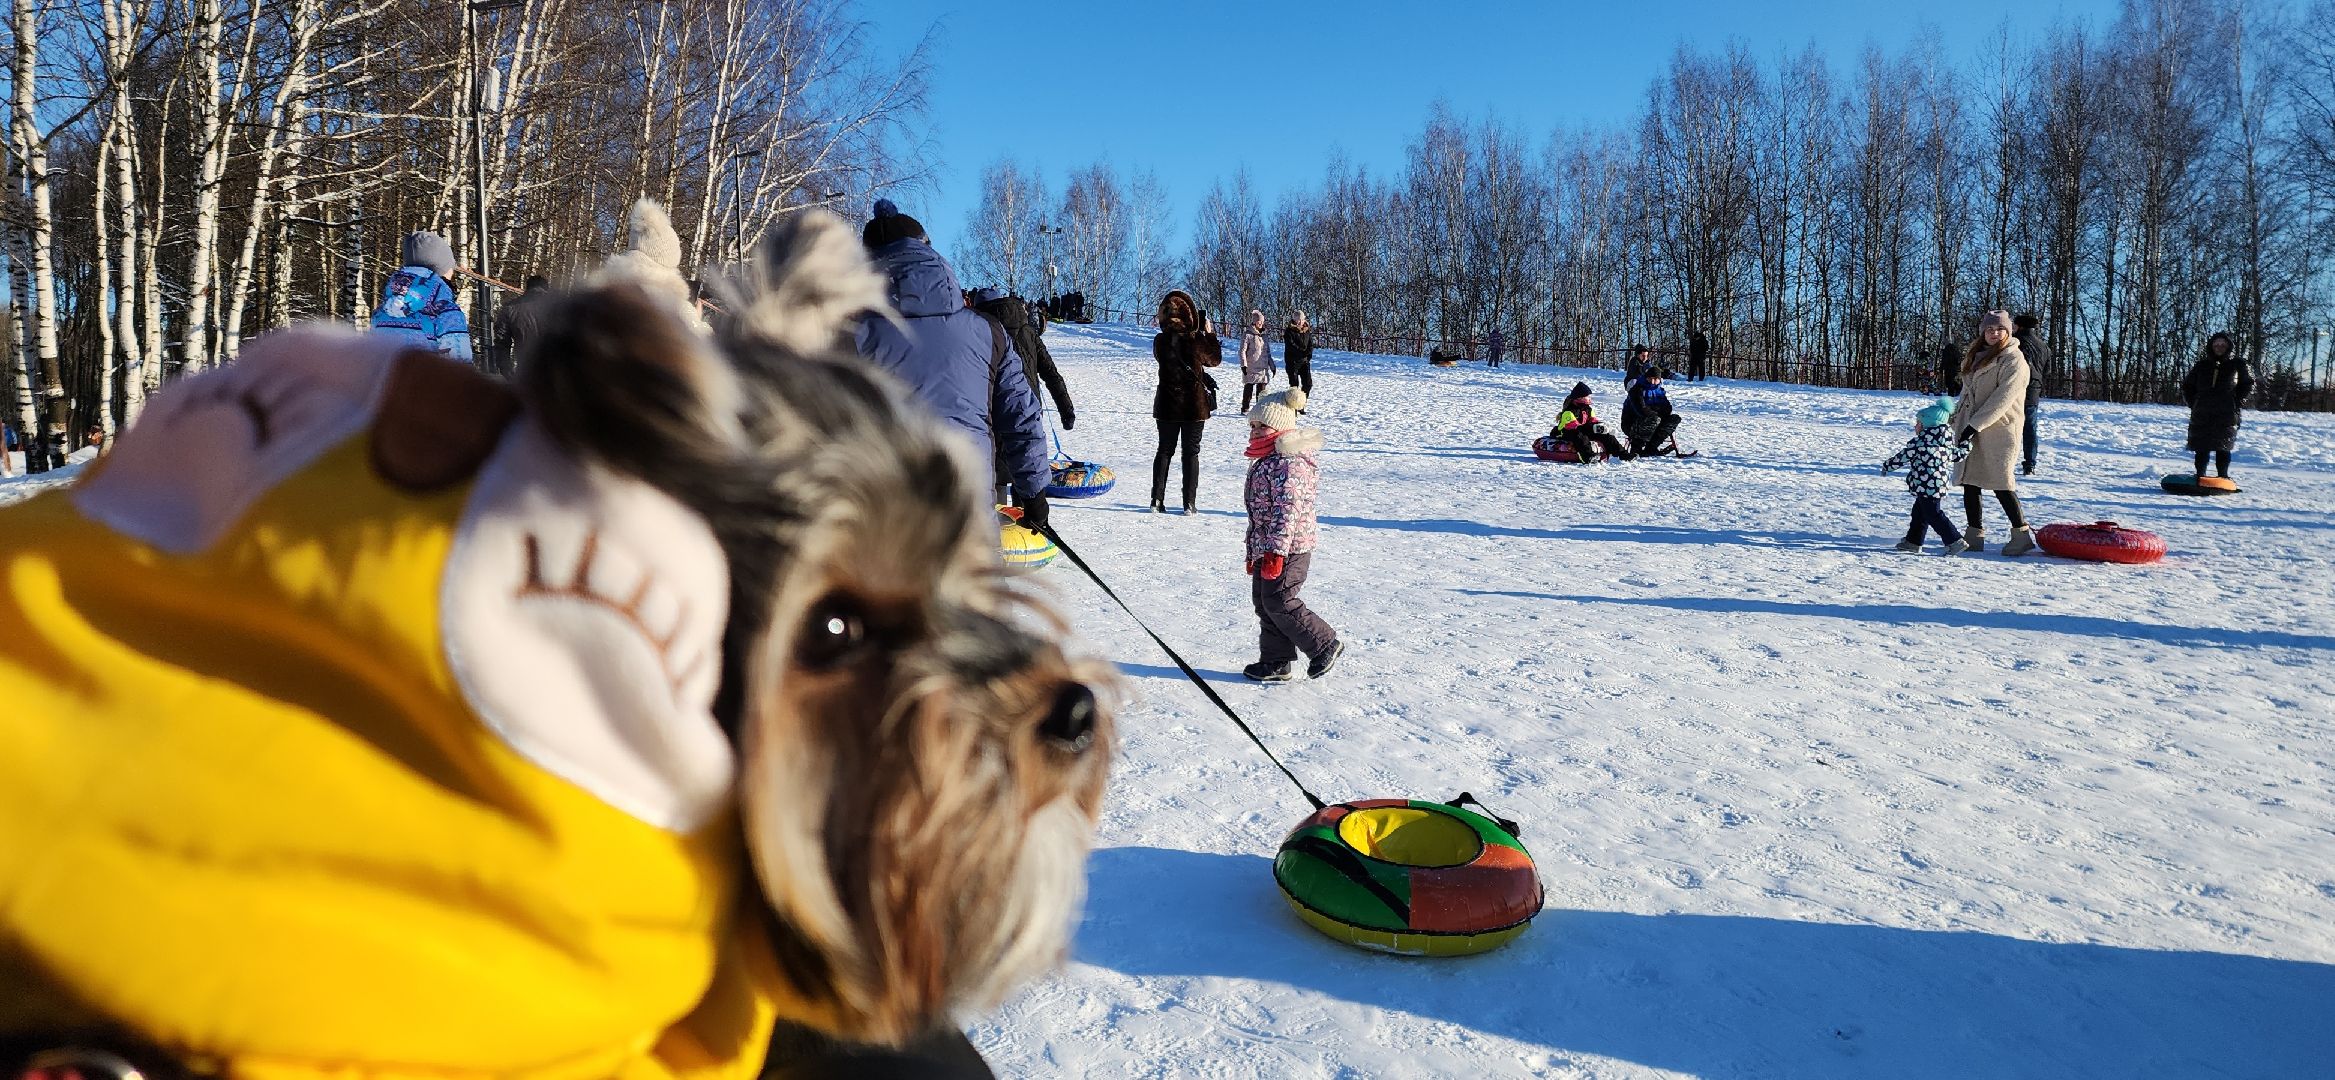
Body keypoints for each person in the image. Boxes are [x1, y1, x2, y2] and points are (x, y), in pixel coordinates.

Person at [853, 199, 1051, 531]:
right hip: (967, 521)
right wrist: (1032, 494)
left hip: (879, 531)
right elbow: (1021, 418)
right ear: (928, 252)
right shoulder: (988, 332)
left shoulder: (842, 335)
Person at [1241, 389, 1341, 683]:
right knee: (1264, 602)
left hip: (1290, 548)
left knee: (1281, 601)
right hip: (1268, 546)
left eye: (1263, 426)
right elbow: (1260, 512)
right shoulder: (1267, 459)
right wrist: (1255, 551)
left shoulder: (1290, 463)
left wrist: (1276, 552)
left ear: (1283, 428)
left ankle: (1324, 643)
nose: (1256, 431)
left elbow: (1288, 511)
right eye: (1253, 426)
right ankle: (1276, 661)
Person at [1948, 310, 2032, 556]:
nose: (1994, 334)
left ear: (2008, 331)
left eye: (1999, 330)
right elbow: (1966, 396)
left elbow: (2002, 399)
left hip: (1999, 429)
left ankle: (2021, 533)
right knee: (1970, 481)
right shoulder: (1976, 357)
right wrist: (1949, 420)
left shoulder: (2014, 360)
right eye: (1989, 330)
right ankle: (1974, 534)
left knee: (2001, 482)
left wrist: (1975, 425)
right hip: (1970, 426)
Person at [1151, 289, 1222, 513]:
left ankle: (1156, 500)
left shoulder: (1160, 342)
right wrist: (1209, 334)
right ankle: (1189, 503)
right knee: (1191, 453)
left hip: (1167, 405)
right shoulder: (1196, 340)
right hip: (1193, 407)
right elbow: (1215, 360)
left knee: (1164, 450)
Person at [971, 287, 1076, 429]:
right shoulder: (1028, 332)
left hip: (992, 416)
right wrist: (1066, 410)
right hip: (1029, 409)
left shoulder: (976, 333)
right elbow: (1051, 373)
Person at [371, 230, 473, 363]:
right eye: (450, 268)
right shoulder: (445, 311)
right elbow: (459, 364)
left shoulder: (382, 311)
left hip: (390, 382)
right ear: (441, 270)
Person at [1883, 397, 1970, 554]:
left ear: (1927, 426)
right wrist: (1966, 444)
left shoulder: (1919, 444)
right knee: (1919, 513)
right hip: (1937, 485)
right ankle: (1913, 542)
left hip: (1925, 486)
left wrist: (1888, 466)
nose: (1915, 426)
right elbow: (1959, 455)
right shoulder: (1946, 445)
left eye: (1918, 423)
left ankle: (1955, 540)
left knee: (1933, 514)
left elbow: (1902, 457)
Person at [2182, 331, 2255, 481]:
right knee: (2201, 447)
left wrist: (2237, 402)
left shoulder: (2238, 365)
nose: (2219, 347)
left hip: (2226, 413)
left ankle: (2223, 476)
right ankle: (2200, 475)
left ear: (2228, 346)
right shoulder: (2201, 365)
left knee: (2223, 446)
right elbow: (2187, 386)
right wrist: (2194, 404)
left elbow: (2248, 385)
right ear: (2211, 346)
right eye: (2216, 344)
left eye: (2223, 344)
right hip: (2202, 412)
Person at [1552, 382, 1632, 463]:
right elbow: (1574, 427)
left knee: (1607, 436)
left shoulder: (1588, 409)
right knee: (1580, 436)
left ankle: (1623, 454)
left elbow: (1593, 421)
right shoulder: (1569, 412)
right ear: (1579, 398)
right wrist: (1592, 428)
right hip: (1567, 432)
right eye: (1586, 397)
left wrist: (1600, 427)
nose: (1588, 398)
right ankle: (1587, 456)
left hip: (1583, 430)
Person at [2013, 313, 2051, 475]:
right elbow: (2047, 371)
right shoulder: (2044, 347)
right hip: (2034, 391)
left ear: (2019, 326)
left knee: (2009, 426)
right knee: (2030, 428)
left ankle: (2003, 460)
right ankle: (2030, 463)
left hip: (2015, 390)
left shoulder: (2014, 342)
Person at [493, 273, 554, 374]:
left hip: (526, 368)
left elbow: (501, 340)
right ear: (546, 289)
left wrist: (505, 367)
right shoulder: (559, 307)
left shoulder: (510, 308)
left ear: (527, 288)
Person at [1621, 366, 1683, 457]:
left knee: (1674, 418)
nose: (1653, 382)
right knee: (1654, 418)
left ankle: (1652, 447)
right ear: (1646, 378)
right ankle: (1637, 447)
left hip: (1653, 422)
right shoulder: (1637, 390)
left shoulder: (1659, 391)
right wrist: (1657, 411)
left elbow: (1668, 408)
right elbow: (1641, 410)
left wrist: (1657, 411)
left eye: (1656, 379)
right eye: (1651, 379)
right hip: (1632, 424)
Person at [1239, 309, 1275, 413]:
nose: (1260, 323)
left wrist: (1272, 366)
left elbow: (1268, 353)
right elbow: (1242, 351)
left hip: (1263, 368)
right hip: (1251, 367)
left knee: (1262, 392)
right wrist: (1243, 365)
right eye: (1259, 321)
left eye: (1262, 322)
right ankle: (1245, 408)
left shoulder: (1264, 336)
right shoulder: (1247, 334)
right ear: (1254, 322)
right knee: (1248, 389)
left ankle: (1260, 410)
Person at [1283, 311, 1316, 399]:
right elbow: (1291, 345)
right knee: (1294, 386)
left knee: (1308, 384)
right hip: (1292, 362)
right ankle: (1293, 407)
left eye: (1302, 319)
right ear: (1294, 320)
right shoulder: (1289, 331)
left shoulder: (1307, 330)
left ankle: (1301, 403)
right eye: (1298, 320)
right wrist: (1301, 352)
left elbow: (1310, 344)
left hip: (1304, 361)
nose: (1300, 322)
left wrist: (1309, 354)